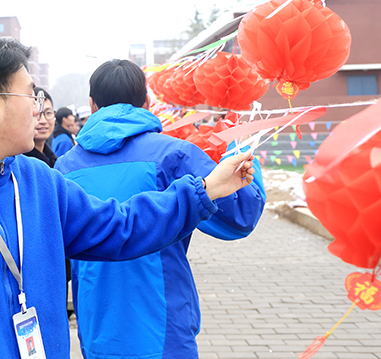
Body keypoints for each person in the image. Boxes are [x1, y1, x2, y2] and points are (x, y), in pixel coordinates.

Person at [0, 37, 254, 358]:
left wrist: (203, 191)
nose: (41, 109)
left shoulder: (38, 181)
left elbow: (121, 227)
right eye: (31, 96)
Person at [55, 59, 266, 359]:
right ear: (147, 102)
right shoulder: (174, 155)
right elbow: (240, 216)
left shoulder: (63, 168)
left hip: (97, 327)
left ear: (91, 104)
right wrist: (245, 158)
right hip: (163, 328)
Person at [23, 87, 58, 167]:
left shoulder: (54, 160)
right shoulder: (18, 162)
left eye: (48, 113)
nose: (43, 121)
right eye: (37, 114)